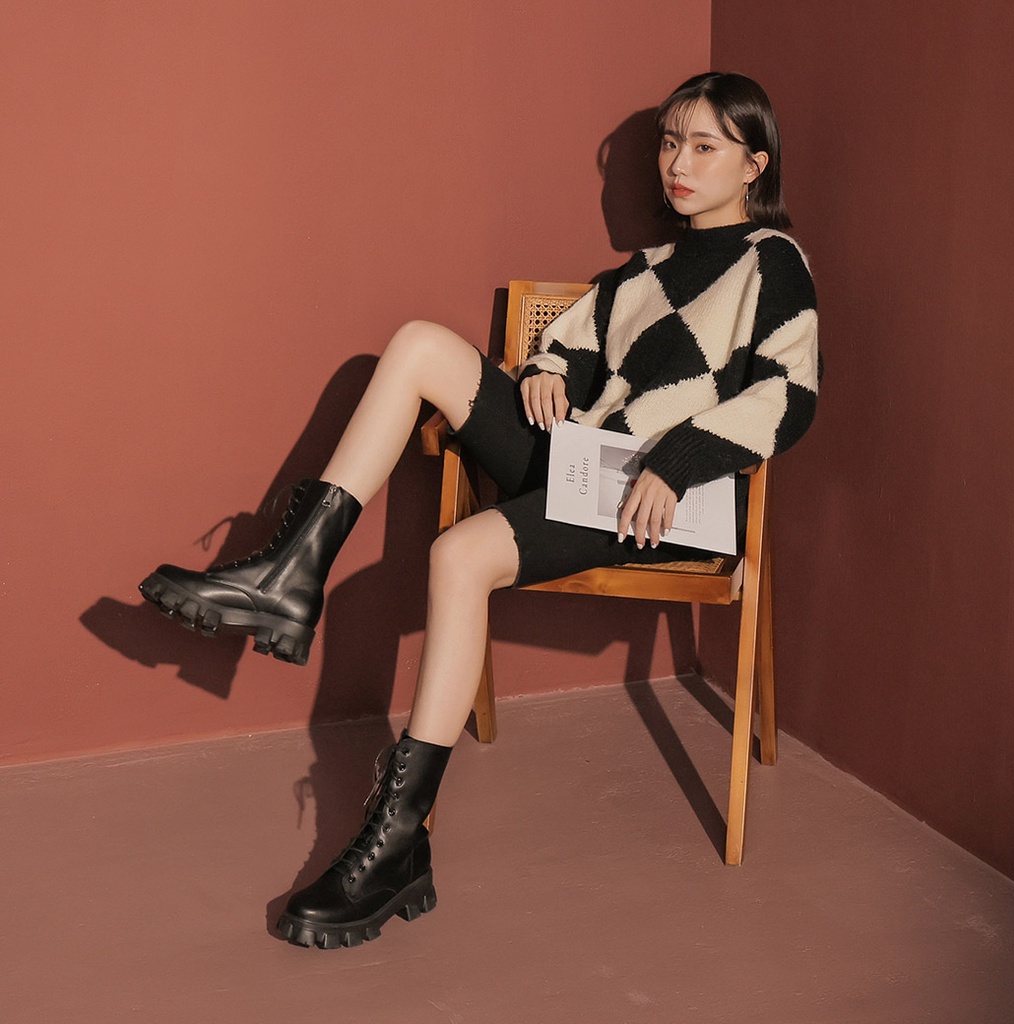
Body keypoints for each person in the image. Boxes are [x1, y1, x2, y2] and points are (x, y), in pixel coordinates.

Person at [139, 71, 820, 949]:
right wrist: (548, 371)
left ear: (754, 164)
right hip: (584, 466)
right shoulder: (646, 270)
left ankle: (397, 841)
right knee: (420, 343)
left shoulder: (773, 263)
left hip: (656, 500)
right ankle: (287, 574)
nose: (677, 165)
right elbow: (573, 341)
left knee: (458, 554)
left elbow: (789, 396)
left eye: (704, 146)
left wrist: (679, 460)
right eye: (668, 143)